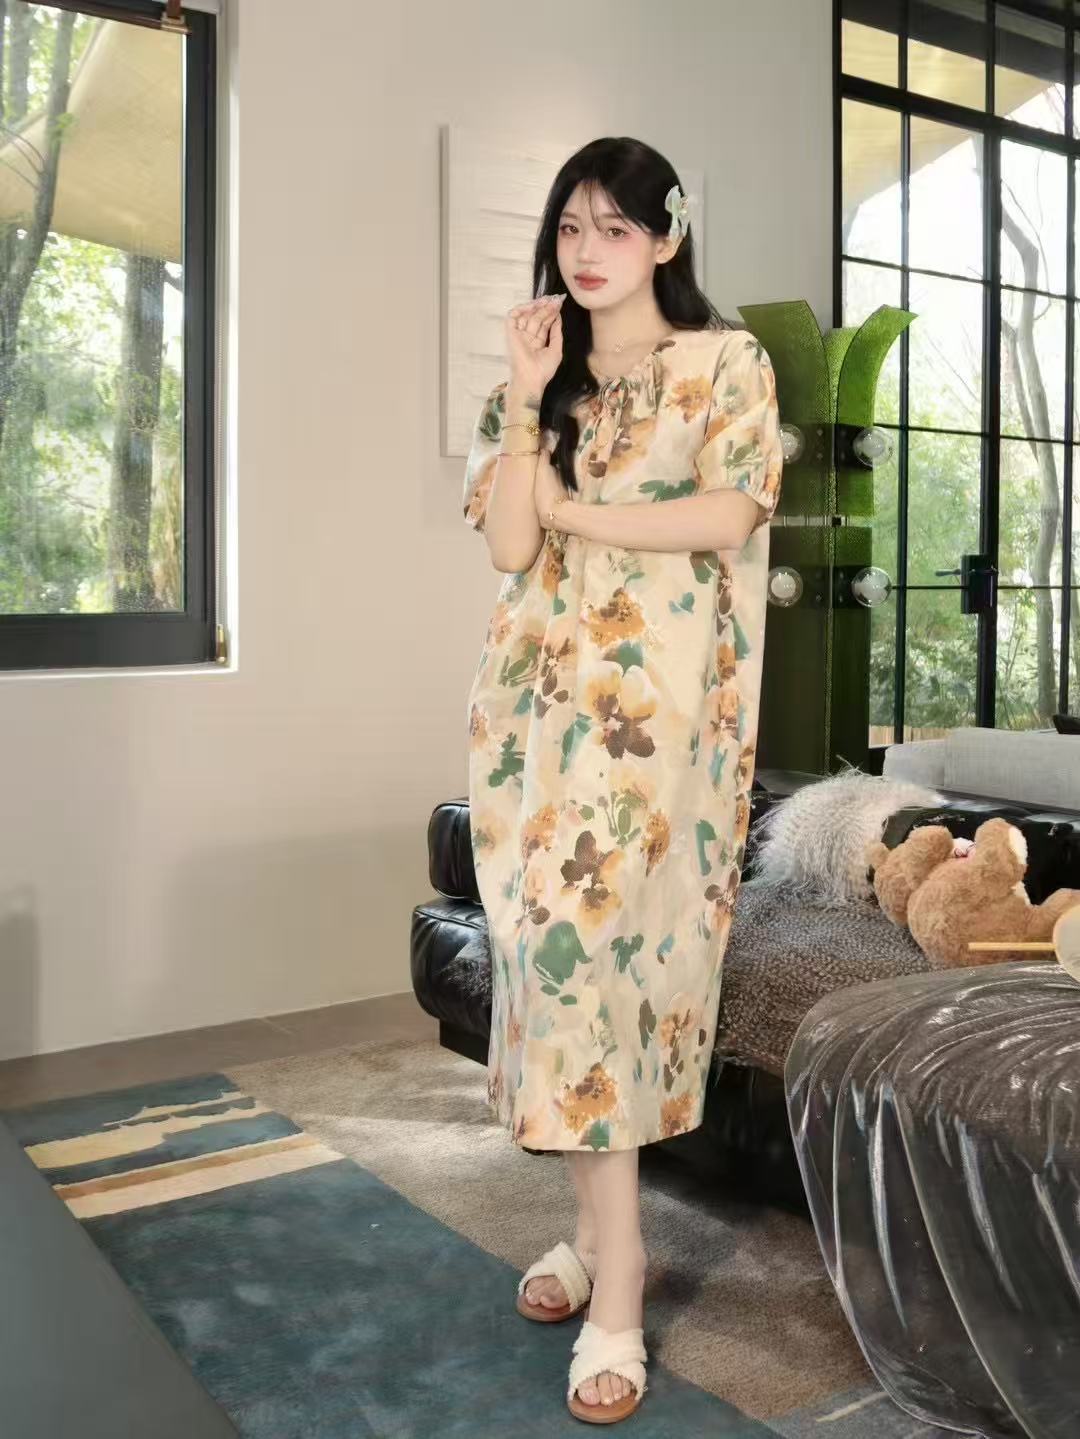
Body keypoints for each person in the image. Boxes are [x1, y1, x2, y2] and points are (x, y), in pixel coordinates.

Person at [461, 135, 784, 1424]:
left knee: (604, 956)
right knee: (554, 963)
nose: (587, 251)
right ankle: (597, 1237)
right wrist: (524, 395)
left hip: (660, 724)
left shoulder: (725, 362)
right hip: (535, 713)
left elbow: (727, 515)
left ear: (667, 237)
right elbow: (506, 544)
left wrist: (578, 515)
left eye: (614, 227)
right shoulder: (542, 380)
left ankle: (622, 1283)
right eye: (570, 228)